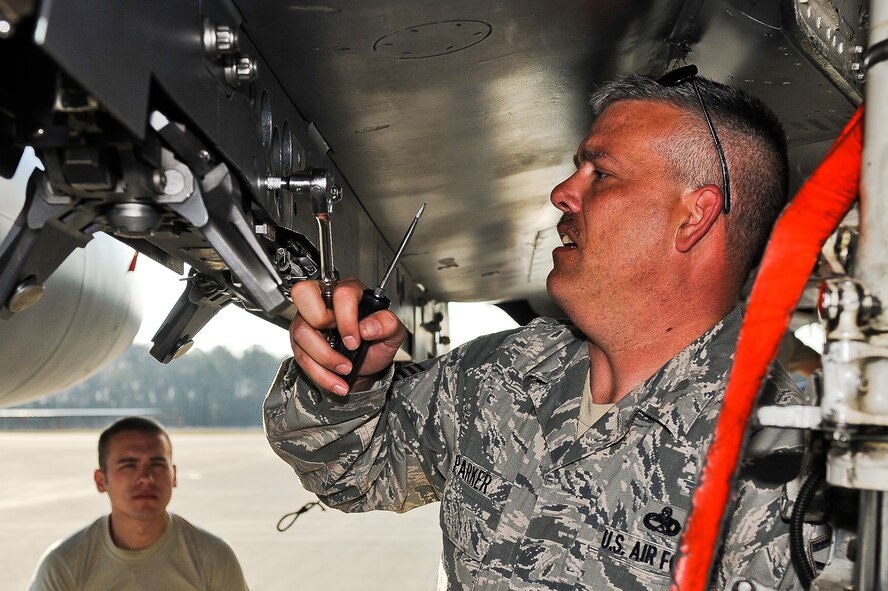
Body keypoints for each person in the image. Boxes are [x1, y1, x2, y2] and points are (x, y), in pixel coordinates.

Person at [264, 68, 804, 590]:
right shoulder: (499, 375)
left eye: (601, 173)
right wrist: (348, 375)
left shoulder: (781, 466)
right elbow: (353, 470)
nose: (562, 193)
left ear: (694, 216)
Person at [29, 416, 249, 591]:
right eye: (128, 465)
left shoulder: (213, 557)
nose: (146, 477)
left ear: (173, 476)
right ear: (101, 480)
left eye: (157, 464)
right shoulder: (64, 564)